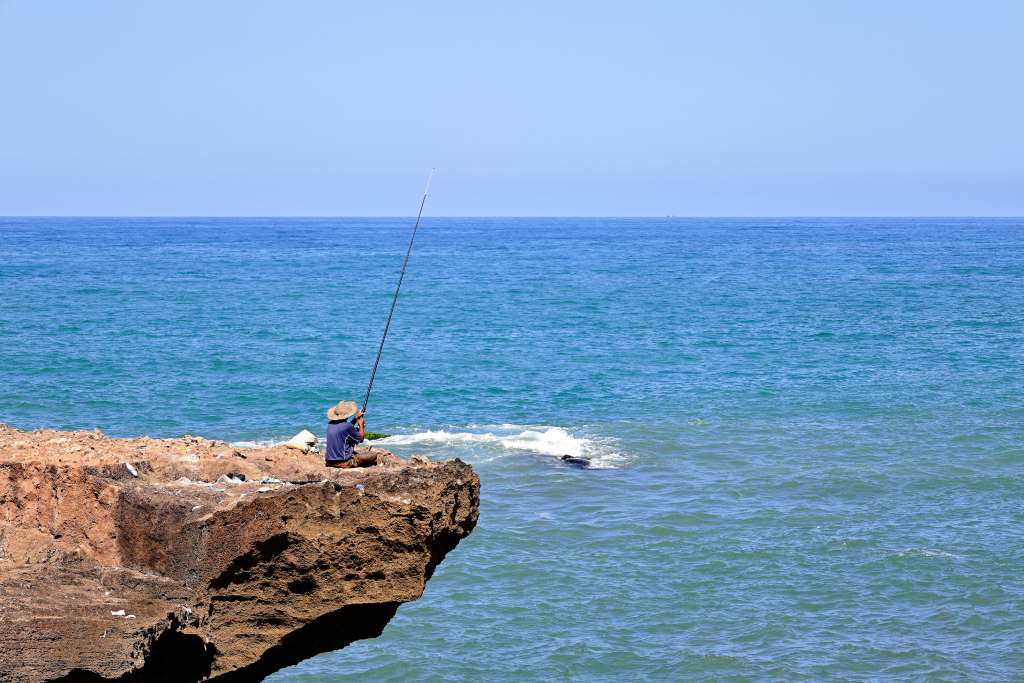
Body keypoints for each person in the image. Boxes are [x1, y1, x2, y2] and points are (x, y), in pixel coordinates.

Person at [324, 400, 368, 468]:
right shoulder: (347, 426)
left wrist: (355, 419)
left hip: (329, 462)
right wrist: (361, 425)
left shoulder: (330, 424)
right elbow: (361, 439)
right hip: (343, 462)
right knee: (374, 456)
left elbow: (344, 428)